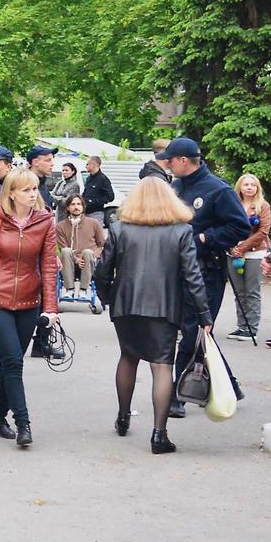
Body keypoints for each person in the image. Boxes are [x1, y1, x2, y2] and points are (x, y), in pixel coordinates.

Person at [95, 177, 213, 454]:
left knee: (128, 357)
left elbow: (102, 270)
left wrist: (106, 297)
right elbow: (192, 276)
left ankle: (123, 418)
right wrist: (204, 315)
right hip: (164, 307)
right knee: (162, 366)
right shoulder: (181, 231)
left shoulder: (119, 228)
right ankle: (159, 435)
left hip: (125, 305)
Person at [0, 168, 58, 447]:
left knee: (12, 363)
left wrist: (51, 307)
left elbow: (48, 265)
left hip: (29, 301)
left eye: (34, 189)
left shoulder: (45, 221)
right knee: (14, 361)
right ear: (11, 193)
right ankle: (23, 423)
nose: (33, 195)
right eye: (26, 190)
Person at [166, 137, 248, 417]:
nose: (167, 163)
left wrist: (204, 238)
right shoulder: (176, 187)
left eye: (171, 159)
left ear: (184, 161)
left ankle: (178, 393)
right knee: (197, 331)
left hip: (206, 271)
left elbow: (239, 227)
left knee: (194, 329)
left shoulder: (218, 190)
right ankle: (231, 386)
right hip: (178, 268)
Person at [224, 174, 270, 343]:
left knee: (252, 291)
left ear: (257, 188)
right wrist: (230, 246)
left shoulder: (263, 206)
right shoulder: (232, 205)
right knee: (239, 292)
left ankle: (252, 328)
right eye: (246, 184)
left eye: (253, 185)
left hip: (255, 254)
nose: (250, 187)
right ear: (239, 187)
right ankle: (242, 326)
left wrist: (241, 248)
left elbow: (263, 232)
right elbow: (225, 226)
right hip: (233, 254)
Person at [55, 194, 106, 294]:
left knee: (87, 252)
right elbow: (62, 247)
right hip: (69, 262)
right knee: (65, 251)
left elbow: (102, 245)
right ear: (68, 208)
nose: (76, 207)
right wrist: (76, 260)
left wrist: (93, 255)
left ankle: (84, 290)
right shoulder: (60, 226)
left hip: (89, 261)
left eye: (79, 204)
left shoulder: (94, 223)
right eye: (73, 204)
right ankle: (69, 290)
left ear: (83, 206)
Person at [25, 144, 58, 213]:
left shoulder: (43, 184)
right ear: (35, 162)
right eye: (48, 160)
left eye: (52, 160)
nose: (52, 164)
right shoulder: (23, 185)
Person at [81, 156, 115, 222]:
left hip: (96, 213)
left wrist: (94, 201)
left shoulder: (103, 179)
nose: (86, 166)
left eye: (88, 164)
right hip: (85, 212)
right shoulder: (88, 178)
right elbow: (86, 193)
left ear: (94, 165)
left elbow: (110, 196)